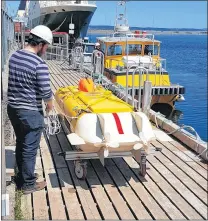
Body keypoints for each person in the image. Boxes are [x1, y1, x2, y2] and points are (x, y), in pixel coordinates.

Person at [7, 25, 54, 194]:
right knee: (30, 148)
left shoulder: (14, 56)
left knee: (21, 142)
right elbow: (45, 91)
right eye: (46, 46)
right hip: (30, 112)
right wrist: (50, 104)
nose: (46, 49)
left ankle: (22, 176)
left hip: (13, 108)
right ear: (40, 44)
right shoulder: (39, 63)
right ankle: (28, 184)